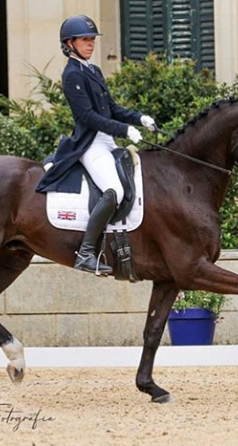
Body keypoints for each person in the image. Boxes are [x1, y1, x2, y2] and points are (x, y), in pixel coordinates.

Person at [36, 14, 156, 275]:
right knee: (114, 190)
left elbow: (111, 108)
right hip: (89, 143)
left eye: (92, 40)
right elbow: (87, 117)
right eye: (85, 40)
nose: (91, 44)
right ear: (70, 43)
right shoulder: (71, 75)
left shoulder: (93, 70)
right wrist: (125, 130)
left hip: (106, 141)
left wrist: (139, 118)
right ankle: (87, 253)